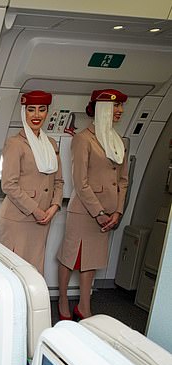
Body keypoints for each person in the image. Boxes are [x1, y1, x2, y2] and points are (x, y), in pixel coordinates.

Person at [57, 88, 128, 320]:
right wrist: (98, 213)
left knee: (92, 261)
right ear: (103, 109)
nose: (120, 111)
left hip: (108, 212)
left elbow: (123, 180)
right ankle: (64, 299)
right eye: (115, 106)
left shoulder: (118, 142)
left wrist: (118, 210)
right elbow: (80, 181)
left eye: (120, 106)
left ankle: (85, 306)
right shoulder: (83, 139)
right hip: (84, 211)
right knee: (71, 257)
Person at [0, 90, 63, 274]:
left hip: (43, 219)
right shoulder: (15, 143)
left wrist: (55, 206)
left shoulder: (51, 144)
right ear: (23, 112)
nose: (36, 115)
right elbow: (9, 184)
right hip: (18, 219)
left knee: (34, 272)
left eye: (41, 110)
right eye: (31, 110)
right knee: (13, 273)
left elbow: (59, 181)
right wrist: (36, 210)